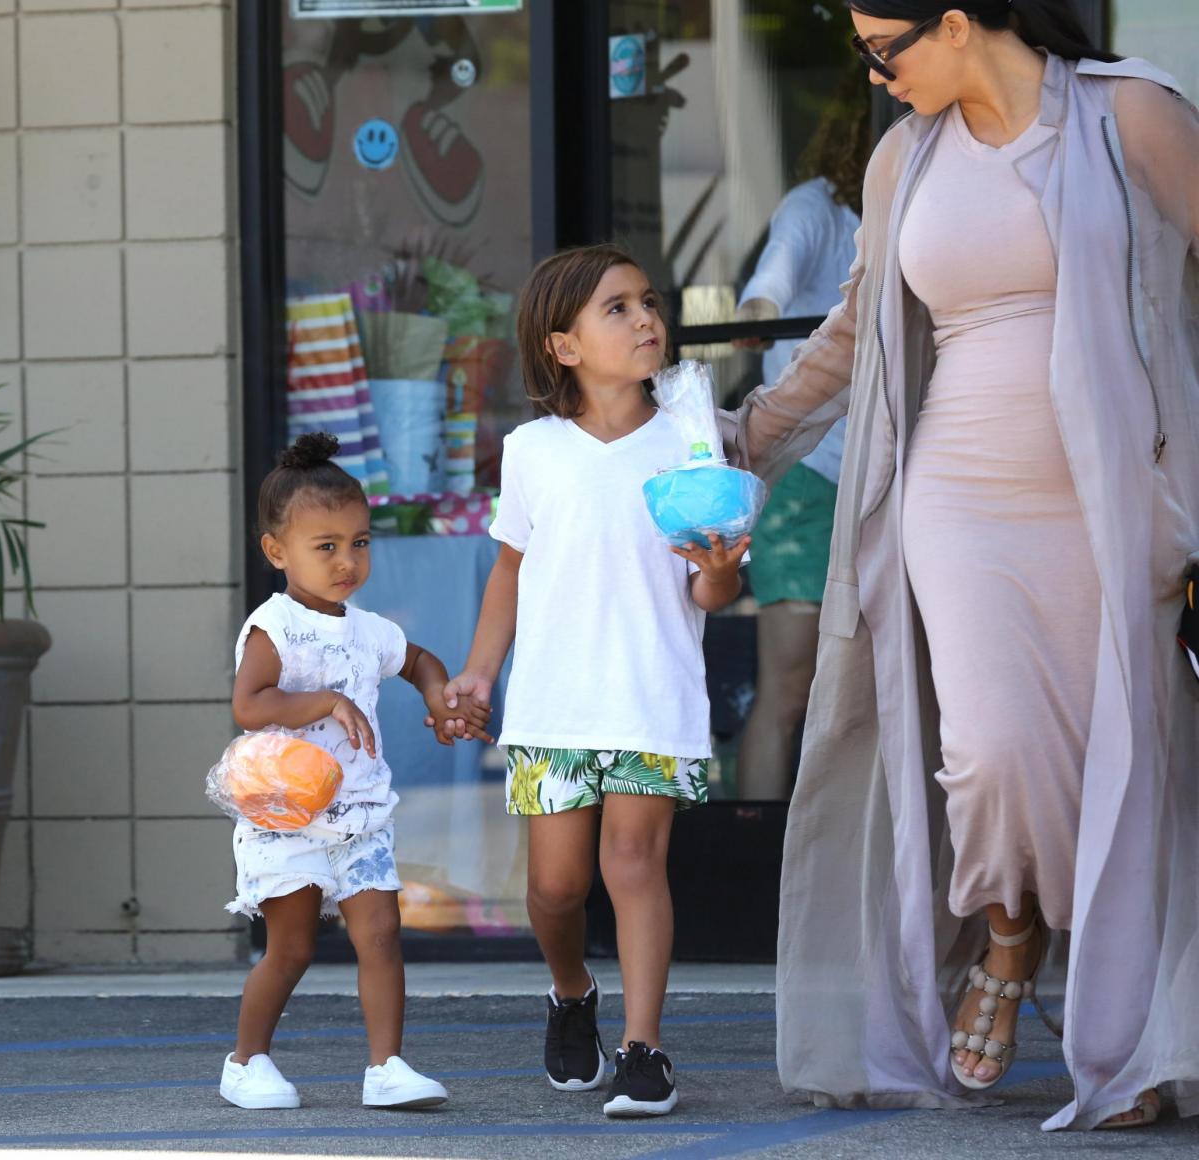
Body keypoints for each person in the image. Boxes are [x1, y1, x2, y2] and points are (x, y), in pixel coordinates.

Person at [718, 0, 1198, 1132]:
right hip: (957, 492)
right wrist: (748, 443)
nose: (871, 76)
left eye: (880, 49)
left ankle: (1124, 1036)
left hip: (1116, 490)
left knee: (1123, 758)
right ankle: (1007, 931)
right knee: (985, 752)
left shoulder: (1129, 113)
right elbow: (852, 329)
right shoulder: (905, 160)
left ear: (953, 21)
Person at [436, 244, 750, 1118]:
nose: (647, 318)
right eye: (618, 308)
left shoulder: (695, 438)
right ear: (563, 345)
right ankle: (572, 991)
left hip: (653, 694)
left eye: (649, 302)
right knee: (555, 888)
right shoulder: (532, 450)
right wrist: (479, 672)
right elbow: (510, 571)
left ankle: (645, 1048)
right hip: (554, 703)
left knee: (634, 864)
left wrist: (721, 571)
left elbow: (711, 590)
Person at [218, 431, 491, 1112]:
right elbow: (250, 704)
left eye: (359, 542)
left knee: (381, 936)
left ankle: (386, 1067)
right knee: (291, 949)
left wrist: (438, 698)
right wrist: (324, 701)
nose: (347, 561)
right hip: (287, 819)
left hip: (361, 817)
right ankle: (246, 1062)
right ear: (277, 552)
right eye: (326, 546)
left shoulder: (369, 630)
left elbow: (418, 660)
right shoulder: (274, 628)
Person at [732, 72, 872, 800]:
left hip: (883, 478)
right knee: (789, 689)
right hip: (808, 477)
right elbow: (770, 285)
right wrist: (755, 315)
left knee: (865, 698)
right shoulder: (814, 206)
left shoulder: (915, 200)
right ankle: (755, 848)